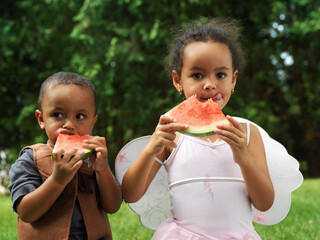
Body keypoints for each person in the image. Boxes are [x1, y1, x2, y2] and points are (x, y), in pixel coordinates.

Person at [119, 18, 303, 240]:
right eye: (197, 75)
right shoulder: (172, 134)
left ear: (233, 80)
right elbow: (130, 195)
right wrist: (151, 148)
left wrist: (243, 156)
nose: (210, 84)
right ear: (178, 80)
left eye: (221, 75)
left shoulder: (247, 133)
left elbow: (264, 203)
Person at [9, 72, 122, 240]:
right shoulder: (30, 160)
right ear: (41, 119)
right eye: (58, 115)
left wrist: (103, 170)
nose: (69, 125)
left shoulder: (94, 160)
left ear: (93, 122)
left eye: (80, 116)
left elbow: (112, 206)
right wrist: (57, 180)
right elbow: (26, 213)